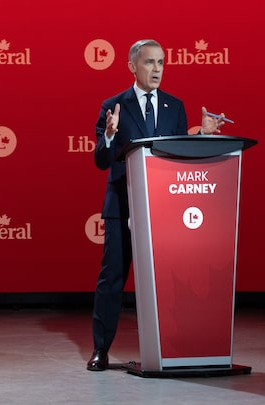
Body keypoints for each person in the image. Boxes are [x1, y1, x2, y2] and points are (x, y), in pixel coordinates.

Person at [88, 39, 226, 371]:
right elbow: (101, 161)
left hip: (164, 208)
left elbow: (177, 155)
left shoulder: (174, 106)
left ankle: (174, 348)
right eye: (149, 62)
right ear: (132, 66)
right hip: (123, 206)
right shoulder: (113, 105)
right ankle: (101, 349)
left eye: (161, 62)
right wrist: (109, 136)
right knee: (112, 279)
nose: (157, 69)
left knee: (172, 280)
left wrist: (202, 137)